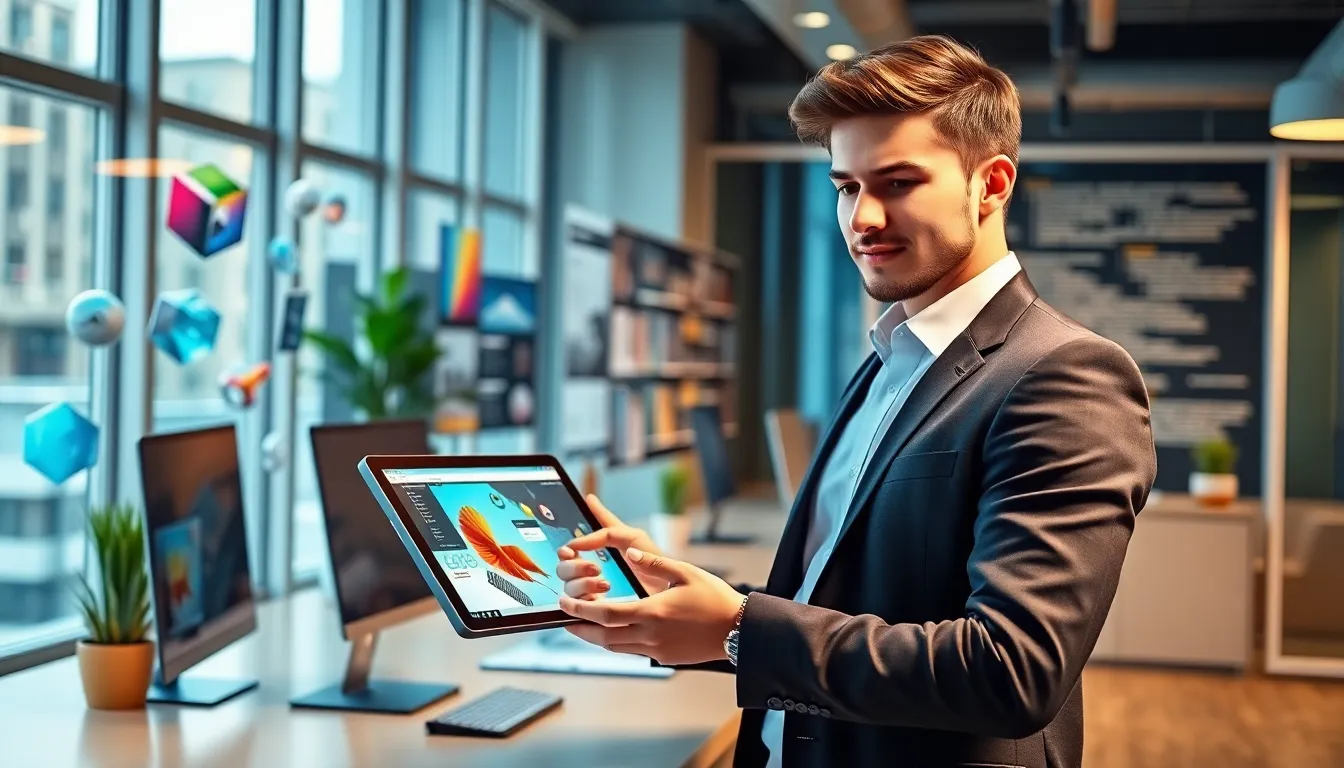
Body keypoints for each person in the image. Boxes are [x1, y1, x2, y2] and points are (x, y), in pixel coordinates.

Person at [555, 34, 1156, 768]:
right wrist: (687, 597)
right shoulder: (889, 359)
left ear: (991, 185)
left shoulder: (1066, 376)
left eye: (898, 183)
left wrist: (737, 628)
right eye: (846, 186)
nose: (862, 218)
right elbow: (847, 600)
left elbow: (1012, 670)